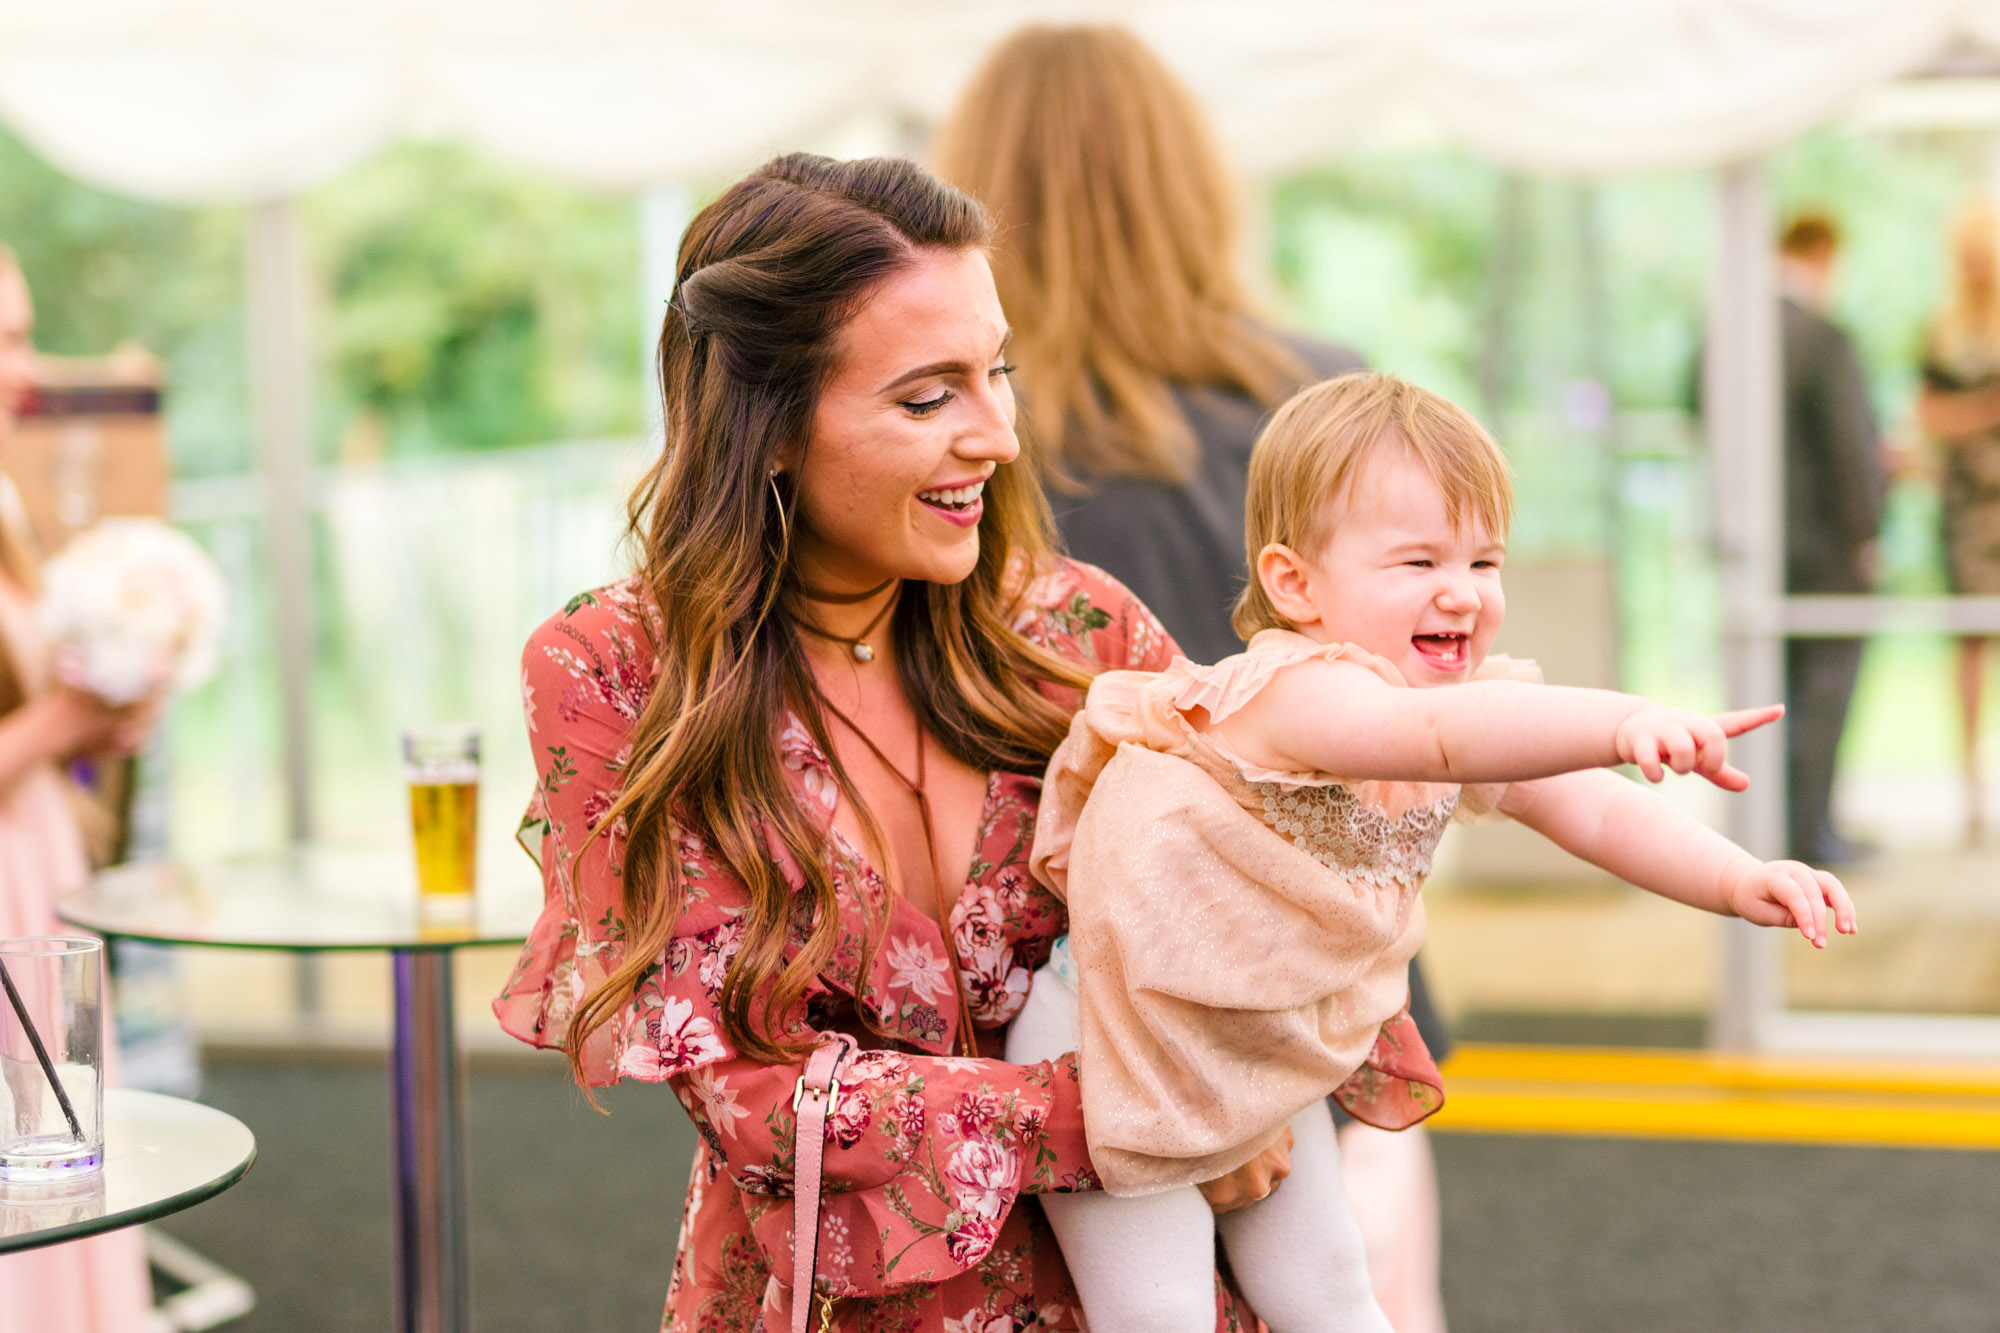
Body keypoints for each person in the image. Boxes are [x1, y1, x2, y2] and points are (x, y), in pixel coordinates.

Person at [495, 154, 1280, 1331]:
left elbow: (1267, 896)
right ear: (761, 429)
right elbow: (754, 1093)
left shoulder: (1077, 628)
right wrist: (1147, 1115)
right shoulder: (614, 670)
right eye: (928, 398)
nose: (999, 436)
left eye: (996, 373)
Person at [1006, 372, 1857, 1333]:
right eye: (1416, 562)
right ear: (1295, 585)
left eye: (1484, 561)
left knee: (1330, 1286)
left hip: (1254, 1034)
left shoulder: (1438, 713)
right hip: (1112, 1031)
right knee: (1156, 1311)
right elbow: (1446, 737)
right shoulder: (1299, 694)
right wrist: (1629, 720)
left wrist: (1740, 876)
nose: (1461, 591)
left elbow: (1600, 817)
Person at [931, 32, 1451, 1329]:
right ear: (1190, 180)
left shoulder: (966, 446)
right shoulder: (1317, 392)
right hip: (1324, 962)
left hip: (1082, 981)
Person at [0, 247, 155, 1331]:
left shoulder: (5, 496)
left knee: (63, 1152)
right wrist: (59, 724)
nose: (26, 369)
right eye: (3, 339)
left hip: (34, 855)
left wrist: (104, 711)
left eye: (24, 333)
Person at [1775, 214, 1884, 865]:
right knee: (1823, 698)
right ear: (1823, 254)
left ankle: (1781, 825)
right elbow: (1851, 449)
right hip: (1824, 552)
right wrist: (1865, 536)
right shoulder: (1823, 336)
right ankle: (1811, 834)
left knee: (1773, 697)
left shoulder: (1721, 337)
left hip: (1759, 554)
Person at [1917, 199, 2000, 845]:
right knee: (1969, 646)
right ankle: (1969, 783)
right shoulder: (1941, 331)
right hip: (1966, 513)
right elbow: (1931, 417)